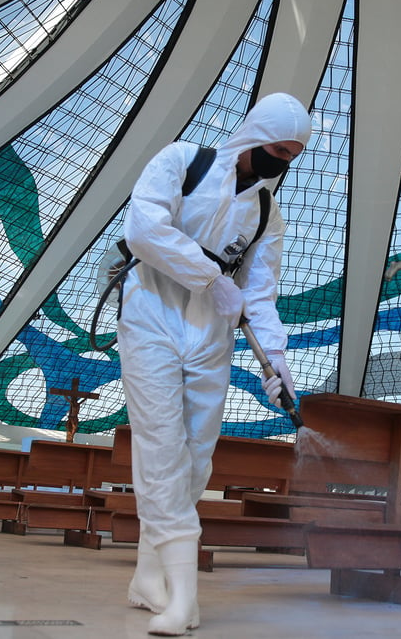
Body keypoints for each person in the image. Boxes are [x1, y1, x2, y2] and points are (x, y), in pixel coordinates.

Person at [117, 93, 311, 635]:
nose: (282, 162)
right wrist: (212, 278)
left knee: (196, 458)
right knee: (160, 445)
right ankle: (184, 598)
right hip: (150, 316)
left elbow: (262, 295)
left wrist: (276, 361)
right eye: (277, 149)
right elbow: (144, 230)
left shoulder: (268, 214)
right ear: (253, 136)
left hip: (212, 335)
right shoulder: (183, 161)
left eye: (293, 155)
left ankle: (147, 577)